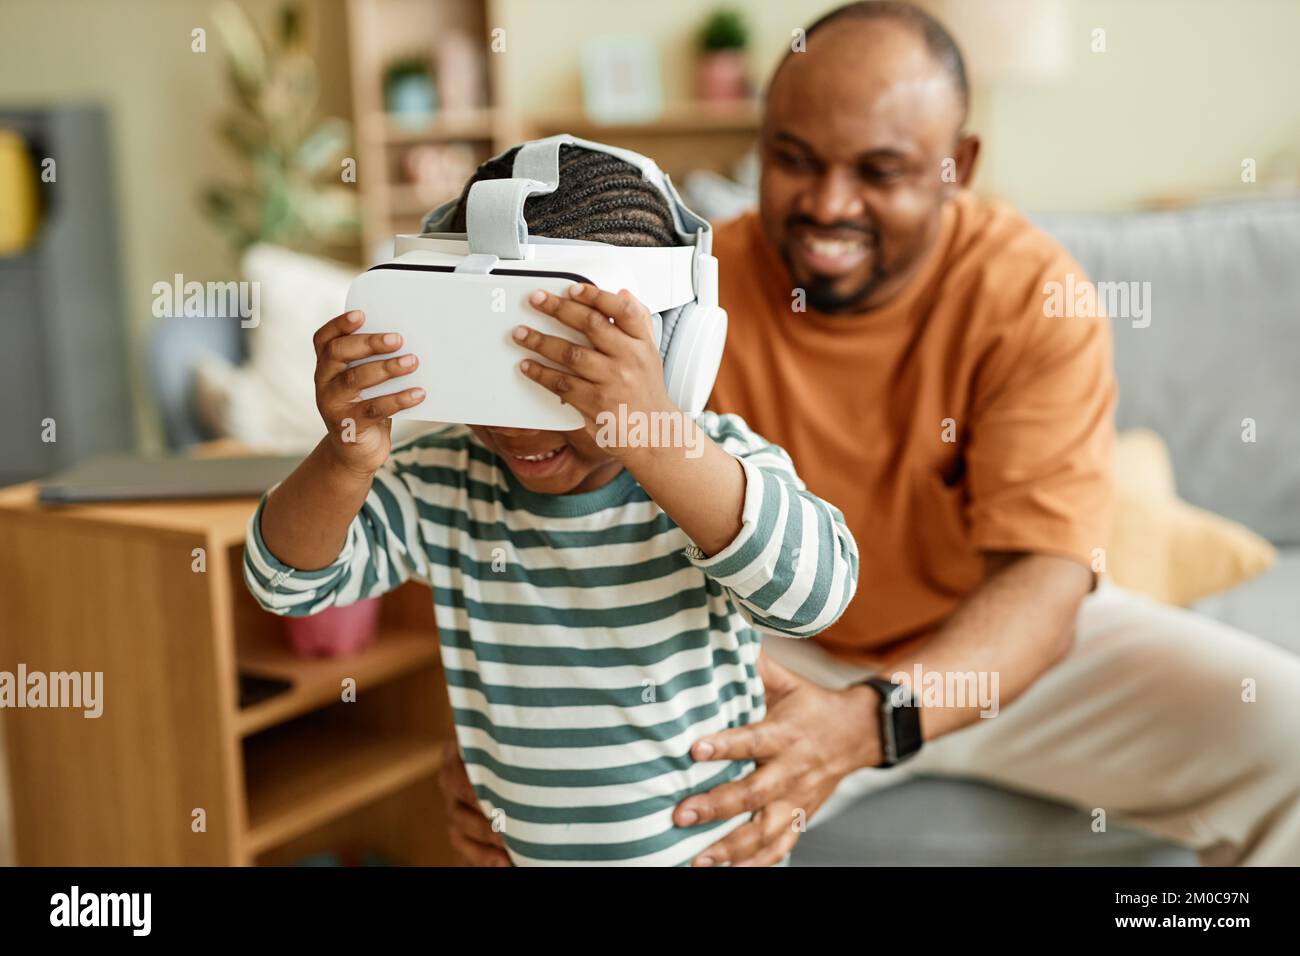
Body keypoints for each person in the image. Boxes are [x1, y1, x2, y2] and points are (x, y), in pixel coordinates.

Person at [445, 1, 1300, 868]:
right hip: (756, 647)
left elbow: (1045, 582)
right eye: (793, 159)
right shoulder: (675, 291)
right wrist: (500, 746)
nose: (828, 205)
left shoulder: (1031, 288)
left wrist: (871, 719)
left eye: (880, 172)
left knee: (1287, 737)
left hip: (995, 640)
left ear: (956, 166)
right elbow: (525, 514)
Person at [243, 143, 859, 866]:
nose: (516, 429)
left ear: (675, 353)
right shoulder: (447, 478)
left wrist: (652, 439)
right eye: (487, 370)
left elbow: (816, 593)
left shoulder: (709, 465)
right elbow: (286, 582)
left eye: (568, 384)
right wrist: (343, 459)